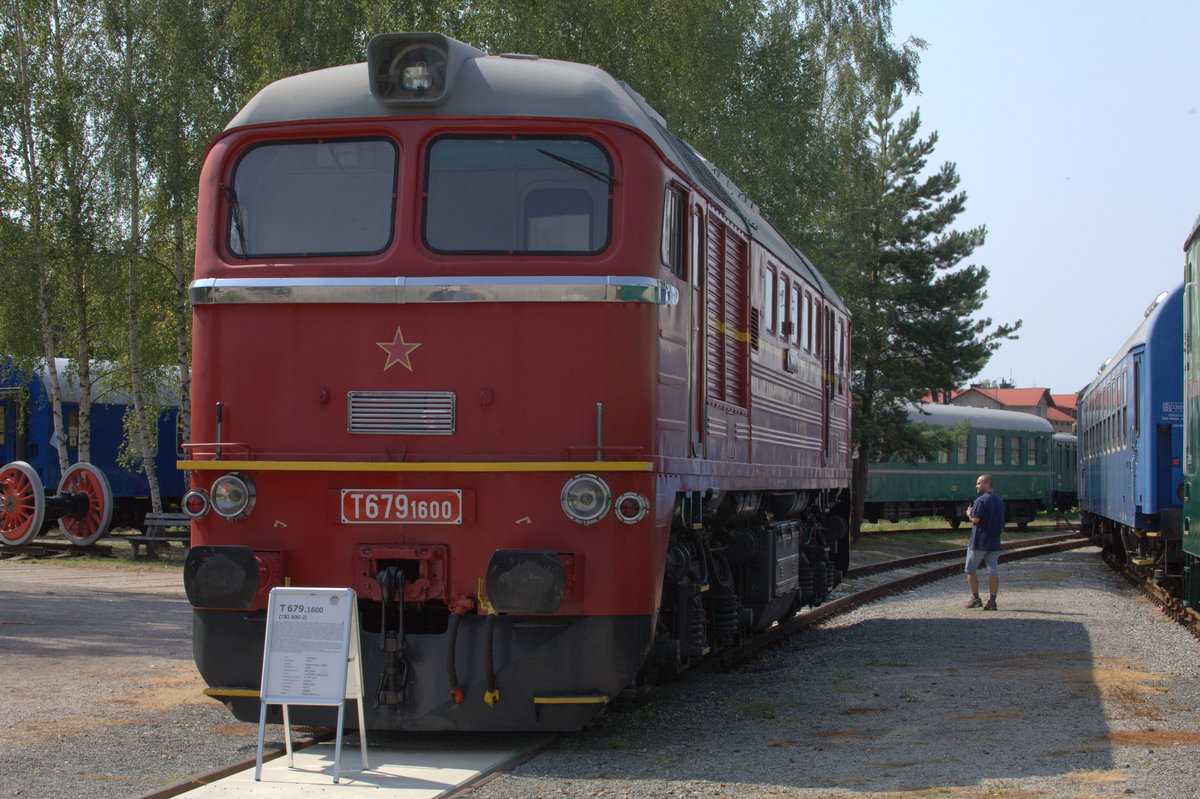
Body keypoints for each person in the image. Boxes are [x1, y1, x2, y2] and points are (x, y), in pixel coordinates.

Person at [964, 474, 1004, 610]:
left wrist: (969, 513)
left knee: (970, 569)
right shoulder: (999, 500)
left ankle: (975, 598)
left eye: (979, 483)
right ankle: (992, 601)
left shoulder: (981, 500)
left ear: (987, 484)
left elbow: (976, 519)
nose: (977, 486)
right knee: (993, 571)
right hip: (994, 542)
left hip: (979, 542)